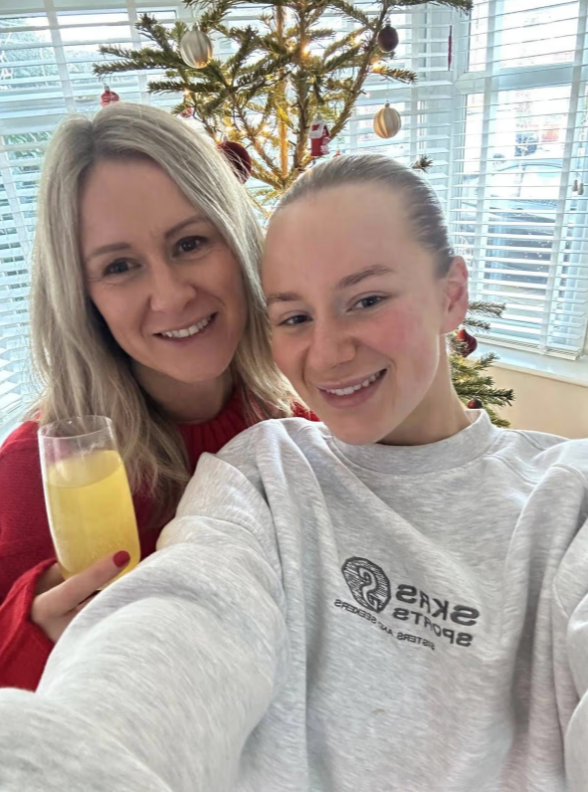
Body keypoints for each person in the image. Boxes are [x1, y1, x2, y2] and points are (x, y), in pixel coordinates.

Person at [0, 154, 586, 792]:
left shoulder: (567, 496)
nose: (328, 355)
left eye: (366, 299)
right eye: (297, 317)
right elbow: (189, 610)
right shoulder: (262, 467)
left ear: (451, 295)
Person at [0, 102, 311, 692]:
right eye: (120, 266)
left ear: (236, 240)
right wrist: (31, 638)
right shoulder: (37, 474)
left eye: (190, 243)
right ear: (82, 296)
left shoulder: (299, 407)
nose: (171, 296)